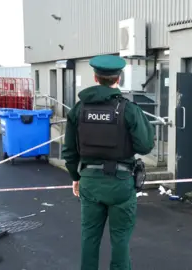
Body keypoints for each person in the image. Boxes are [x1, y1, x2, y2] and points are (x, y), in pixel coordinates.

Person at [62, 55, 155, 270]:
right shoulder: (128, 109)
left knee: (89, 239)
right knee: (120, 241)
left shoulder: (78, 109)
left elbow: (69, 151)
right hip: (121, 183)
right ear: (118, 79)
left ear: (95, 77)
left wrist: (75, 178)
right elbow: (145, 146)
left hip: (90, 182)